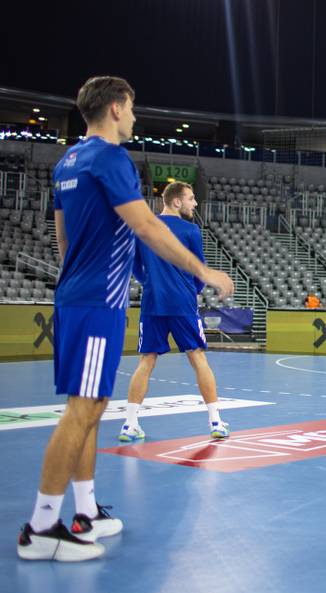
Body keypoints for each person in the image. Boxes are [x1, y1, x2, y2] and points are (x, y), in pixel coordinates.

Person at [17, 76, 233, 562]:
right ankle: (42, 525)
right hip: (98, 302)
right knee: (83, 410)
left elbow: (62, 236)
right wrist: (203, 271)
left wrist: (83, 274)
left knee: (89, 408)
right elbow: (146, 225)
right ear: (115, 108)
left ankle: (85, 511)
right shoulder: (111, 158)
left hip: (77, 293)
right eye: (132, 107)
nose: (134, 116)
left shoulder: (68, 160)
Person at [120, 181, 229, 442]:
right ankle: (215, 421)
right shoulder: (191, 230)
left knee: (146, 361)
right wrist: (191, 290)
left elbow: (135, 266)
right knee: (198, 357)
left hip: (152, 303)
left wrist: (149, 283)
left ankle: (129, 424)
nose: (195, 203)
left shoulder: (143, 228)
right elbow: (199, 269)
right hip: (182, 304)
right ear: (176, 201)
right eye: (191, 199)